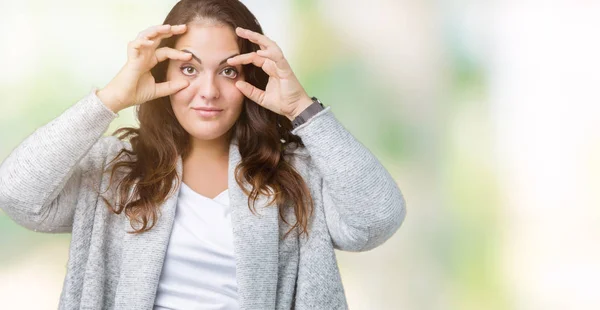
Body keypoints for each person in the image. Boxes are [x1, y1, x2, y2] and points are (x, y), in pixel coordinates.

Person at [0, 0, 406, 309]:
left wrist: (302, 108)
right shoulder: (113, 169)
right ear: (161, 74)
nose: (208, 91)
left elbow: (377, 220)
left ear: (252, 75)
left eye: (228, 70)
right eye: (190, 69)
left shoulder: (295, 173)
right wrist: (110, 99)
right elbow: (18, 195)